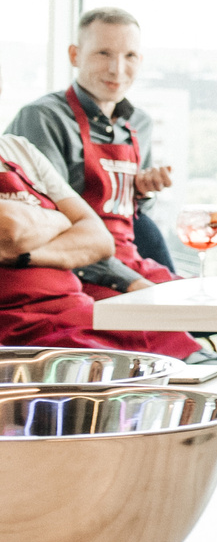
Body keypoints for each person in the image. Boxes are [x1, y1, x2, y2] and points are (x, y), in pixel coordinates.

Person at [0, 107, 197, 360]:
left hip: (80, 312)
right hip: (26, 332)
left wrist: (25, 255)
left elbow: (100, 239)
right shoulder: (41, 117)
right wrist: (66, 221)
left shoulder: (19, 149)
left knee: (191, 357)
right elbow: (10, 227)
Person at [7, 8, 180, 291]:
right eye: (103, 53)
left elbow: (134, 216)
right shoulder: (43, 118)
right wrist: (131, 283)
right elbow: (49, 224)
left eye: (130, 56)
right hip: (73, 271)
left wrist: (141, 191)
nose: (117, 69)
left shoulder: (140, 124)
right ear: (74, 55)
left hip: (130, 261)